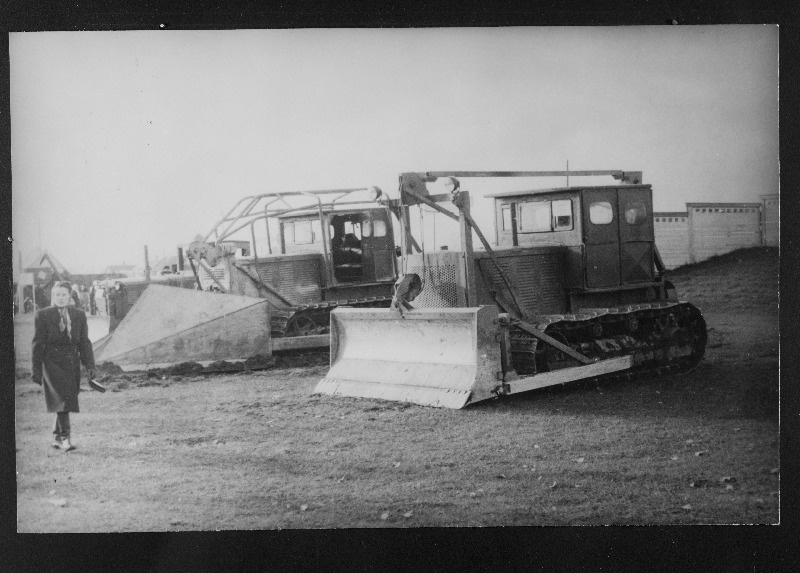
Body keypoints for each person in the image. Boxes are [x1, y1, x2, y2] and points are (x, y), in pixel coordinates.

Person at [31, 281, 96, 451]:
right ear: (53, 296)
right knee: (63, 398)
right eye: (58, 295)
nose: (61, 298)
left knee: (64, 399)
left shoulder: (79, 315)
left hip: (71, 362)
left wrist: (90, 365)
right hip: (51, 362)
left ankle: (57, 437)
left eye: (64, 295)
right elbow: (37, 344)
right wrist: (36, 370)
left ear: (70, 296)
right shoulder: (43, 315)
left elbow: (84, 342)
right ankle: (66, 438)